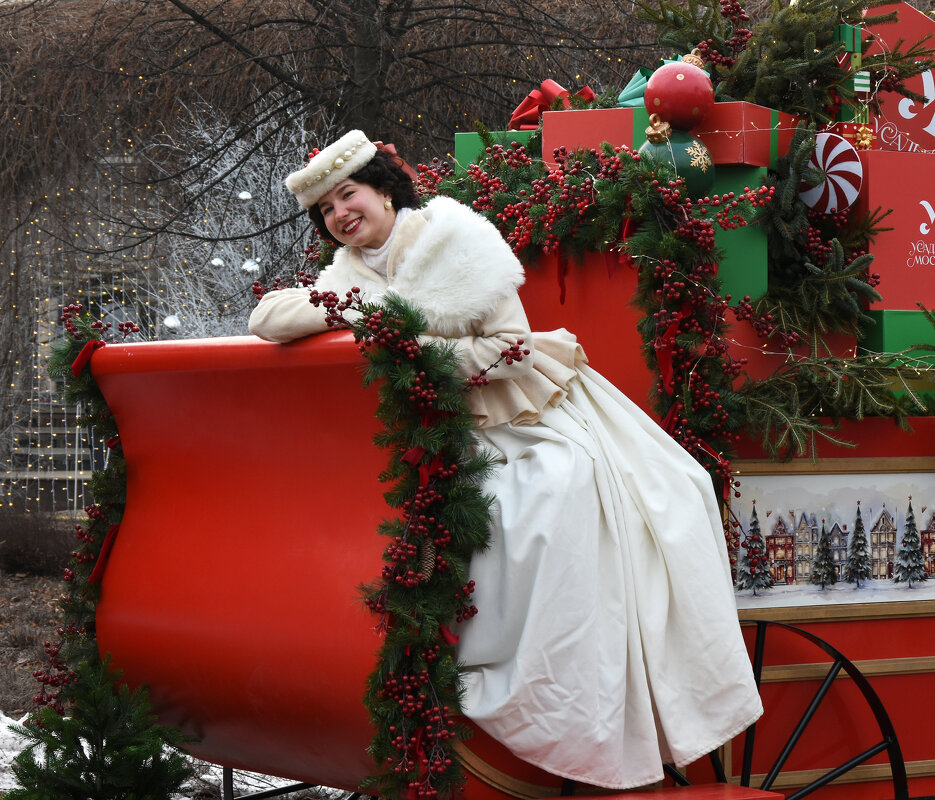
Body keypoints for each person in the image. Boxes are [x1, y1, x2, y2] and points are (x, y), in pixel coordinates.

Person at [249, 130, 763, 790]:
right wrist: (362, 309)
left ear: (383, 188)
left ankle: (552, 688)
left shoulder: (455, 239)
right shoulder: (347, 275)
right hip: (433, 429)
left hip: (520, 410)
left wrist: (416, 351)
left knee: (554, 492)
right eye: (325, 210)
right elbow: (269, 317)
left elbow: (508, 349)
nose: (340, 214)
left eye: (348, 195)